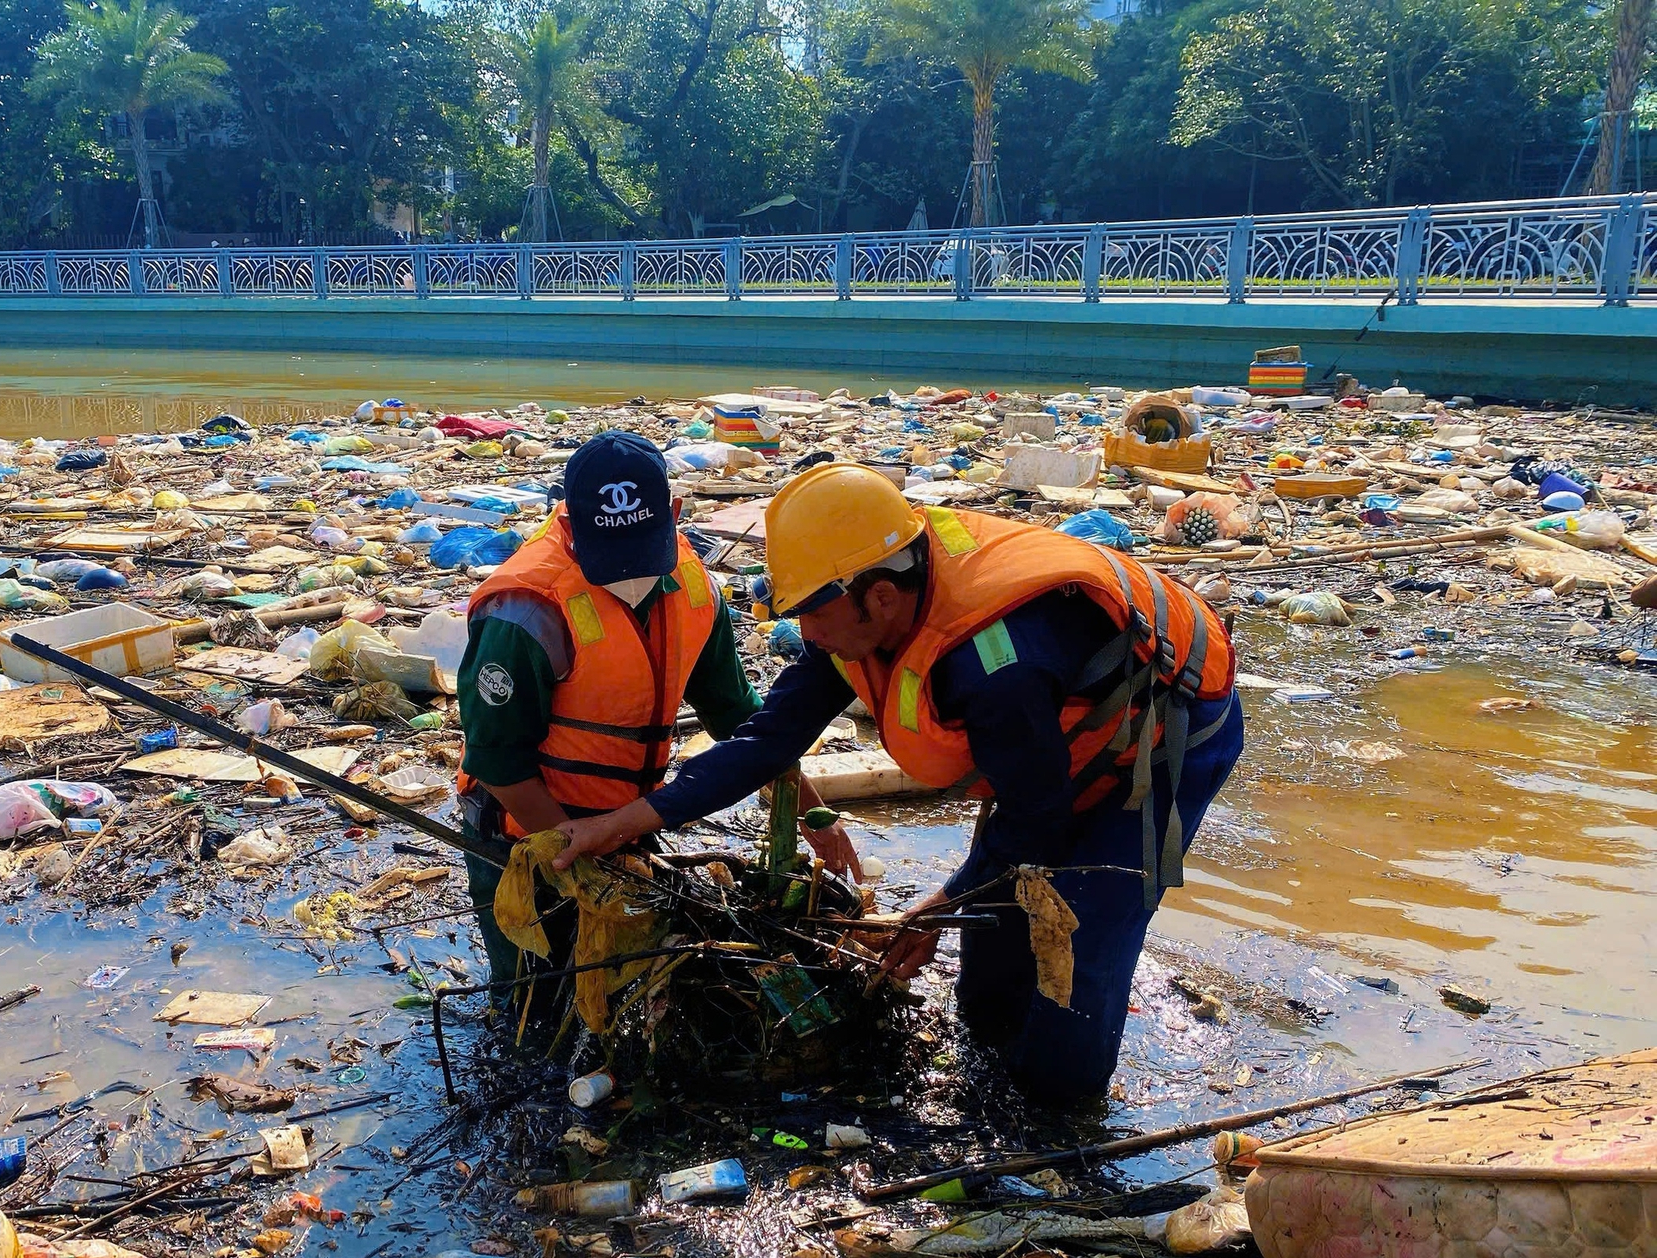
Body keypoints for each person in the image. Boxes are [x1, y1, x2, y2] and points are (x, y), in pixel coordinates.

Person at [552, 462, 1245, 1106]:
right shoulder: (861, 599)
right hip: (1050, 736)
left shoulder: (994, 666)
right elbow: (767, 740)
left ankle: (1061, 1127)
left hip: (1158, 745)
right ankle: (990, 1068)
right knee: (994, 924)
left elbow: (1038, 819)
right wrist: (629, 821)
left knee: (1080, 941)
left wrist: (934, 909)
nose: (806, 634)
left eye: (811, 617)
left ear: (878, 599)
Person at [455, 430, 844, 993]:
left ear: (675, 513)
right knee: (533, 995)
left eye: (639, 555)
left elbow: (740, 718)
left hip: (621, 827)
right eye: (609, 560)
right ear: (569, 523)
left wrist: (813, 816)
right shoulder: (524, 611)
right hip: (522, 833)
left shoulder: (697, 589)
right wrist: (576, 856)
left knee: (620, 990)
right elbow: (497, 759)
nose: (628, 576)